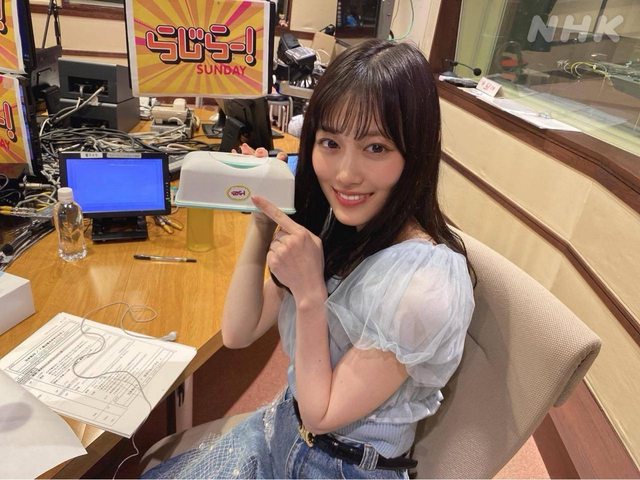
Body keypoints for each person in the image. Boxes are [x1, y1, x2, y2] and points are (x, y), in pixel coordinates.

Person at [142, 39, 475, 479]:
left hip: (342, 467)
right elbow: (238, 333)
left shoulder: (423, 286)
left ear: (415, 152)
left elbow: (322, 414)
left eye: (376, 148)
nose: (345, 174)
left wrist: (310, 294)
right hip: (283, 426)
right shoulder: (339, 224)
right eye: (330, 142)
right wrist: (261, 221)